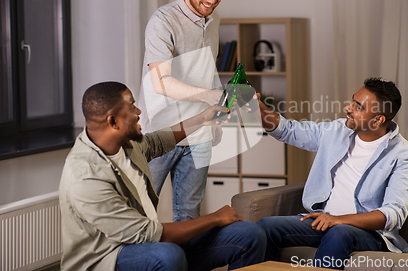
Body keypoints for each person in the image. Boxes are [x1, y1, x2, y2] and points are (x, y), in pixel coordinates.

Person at [59, 82, 265, 271]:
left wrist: (202, 119)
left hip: (147, 245)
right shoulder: (85, 176)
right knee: (167, 255)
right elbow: (147, 234)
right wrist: (216, 218)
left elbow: (159, 140)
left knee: (249, 235)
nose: (139, 112)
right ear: (113, 121)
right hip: (106, 259)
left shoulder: (126, 144)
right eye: (132, 107)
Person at [255, 78, 408, 270]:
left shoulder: (404, 156)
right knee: (266, 226)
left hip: (368, 234)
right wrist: (258, 108)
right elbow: (289, 130)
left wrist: (338, 219)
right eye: (353, 101)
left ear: (378, 120)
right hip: (324, 220)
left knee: (340, 232)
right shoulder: (337, 130)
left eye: (358, 107)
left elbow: (393, 214)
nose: (348, 108)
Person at [137, 0, 228, 222]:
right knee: (142, 211)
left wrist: (216, 119)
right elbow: (161, 82)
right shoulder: (162, 21)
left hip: (198, 133)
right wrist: (212, 96)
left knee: (189, 214)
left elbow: (207, 70)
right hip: (160, 134)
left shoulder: (213, 20)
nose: (211, 0)